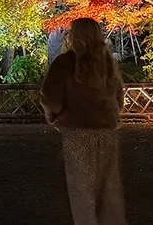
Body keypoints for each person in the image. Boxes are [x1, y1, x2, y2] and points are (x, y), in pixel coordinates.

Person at [40, 18, 126, 225]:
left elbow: (50, 97)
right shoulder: (107, 63)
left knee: (82, 188)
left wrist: (54, 117)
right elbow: (118, 96)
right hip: (106, 130)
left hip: (77, 131)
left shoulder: (64, 63)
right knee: (108, 187)